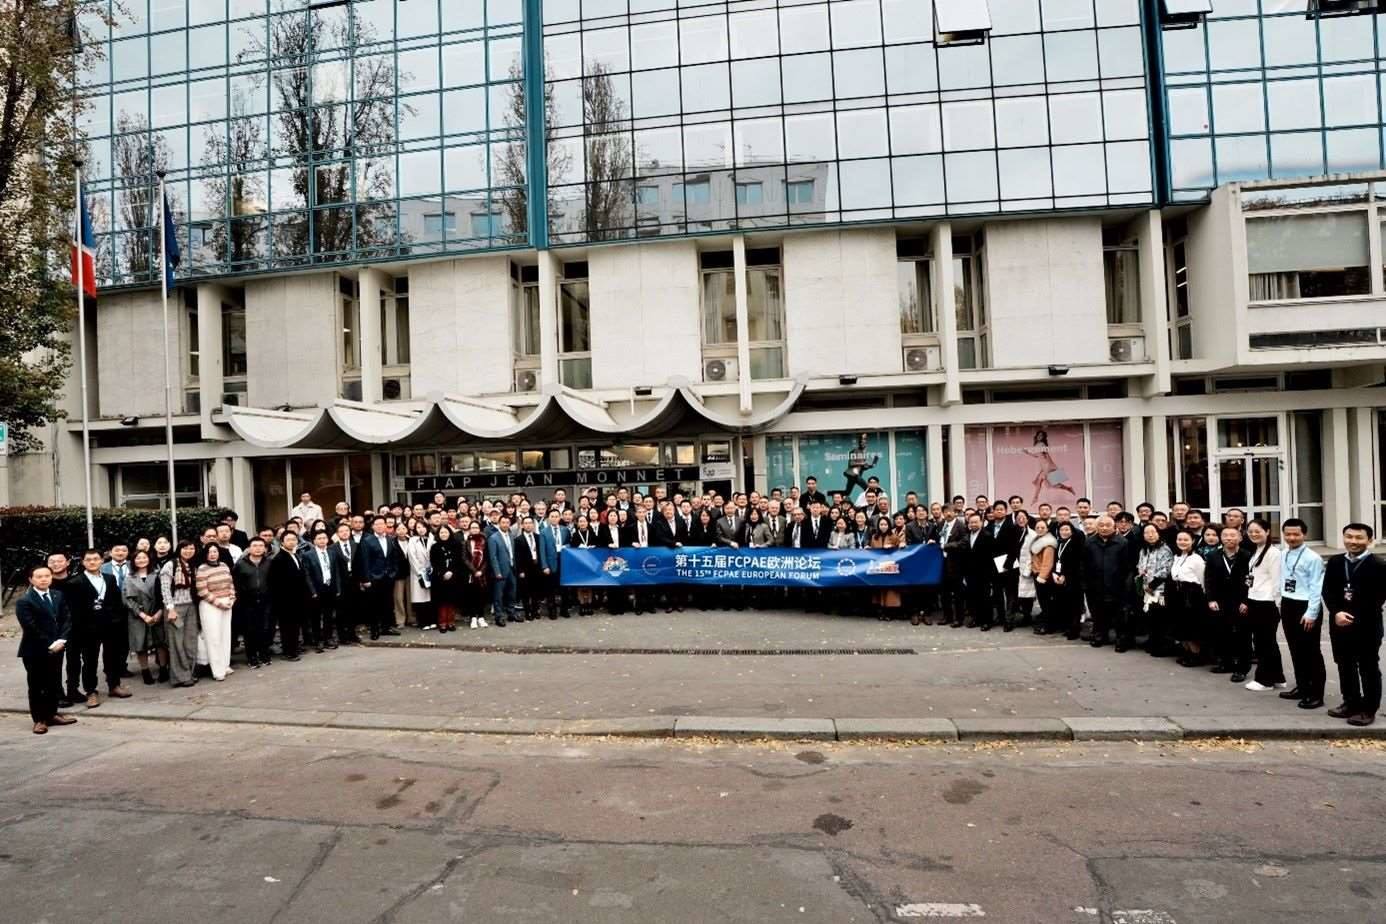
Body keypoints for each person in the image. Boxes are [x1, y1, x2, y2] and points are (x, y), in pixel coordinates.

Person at [1323, 523, 1385, 726]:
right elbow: (1327, 591)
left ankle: (1368, 709)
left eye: (1359, 538)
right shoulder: (1335, 562)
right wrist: (1336, 612)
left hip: (1367, 625)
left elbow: (1378, 598)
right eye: (1349, 537)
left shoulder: (1379, 565)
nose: (1353, 541)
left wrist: (1353, 615)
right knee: (1344, 664)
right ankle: (1350, 702)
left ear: (1370, 540)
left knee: (1368, 667)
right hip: (1339, 623)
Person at [16, 564, 77, 734]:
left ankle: (52, 714)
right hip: (35, 650)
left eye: (47, 576)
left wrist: (62, 639)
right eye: (39, 577)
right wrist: (51, 643)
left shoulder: (58, 595)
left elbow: (66, 618)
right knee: (37, 685)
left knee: (53, 682)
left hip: (58, 647)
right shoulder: (25, 601)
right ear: (31, 579)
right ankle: (39, 719)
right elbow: (30, 627)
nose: (43, 579)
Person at [68, 548, 131, 706]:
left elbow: (117, 602)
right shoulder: (75, 582)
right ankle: (91, 691)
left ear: (102, 560)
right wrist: (82, 627)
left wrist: (116, 620)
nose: (92, 562)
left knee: (112, 657)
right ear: (83, 562)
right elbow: (74, 610)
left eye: (96, 559)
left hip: (110, 626)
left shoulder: (109, 578)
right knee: (90, 661)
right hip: (87, 629)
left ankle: (114, 685)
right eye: (88, 560)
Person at [1277, 518, 1326, 710]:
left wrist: (1312, 613)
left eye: (1296, 534)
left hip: (1306, 606)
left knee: (1311, 651)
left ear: (1304, 534)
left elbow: (1316, 587)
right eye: (1288, 534)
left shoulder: (1313, 558)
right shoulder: (1284, 553)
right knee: (1295, 649)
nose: (1291, 538)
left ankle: (1316, 693)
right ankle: (1302, 686)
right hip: (1288, 604)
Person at [1242, 518, 1285, 692]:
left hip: (1267, 603)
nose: (1253, 534)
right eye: (1250, 531)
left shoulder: (1273, 553)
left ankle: (1265, 680)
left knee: (1264, 642)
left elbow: (1277, 581)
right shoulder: (1257, 550)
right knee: (1266, 641)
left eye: (1258, 531)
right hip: (1255, 599)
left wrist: (1277, 604)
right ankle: (1277, 677)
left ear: (1267, 532)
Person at [1204, 526, 1252, 681]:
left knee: (1242, 635)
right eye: (1225, 535)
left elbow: (1251, 580)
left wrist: (1246, 601)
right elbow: (1208, 579)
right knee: (1222, 632)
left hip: (1240, 600)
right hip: (1220, 600)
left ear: (1240, 538)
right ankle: (1226, 663)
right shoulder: (1213, 556)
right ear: (1221, 538)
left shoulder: (1247, 556)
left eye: (1233, 535)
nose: (1229, 538)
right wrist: (1211, 599)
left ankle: (1242, 668)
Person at [1082, 516, 1128, 649]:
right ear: (1097, 527)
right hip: (1095, 585)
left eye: (1108, 525)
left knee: (1119, 614)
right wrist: (1085, 583)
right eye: (1101, 525)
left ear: (1114, 527)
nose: (1104, 528)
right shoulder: (1089, 542)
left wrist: (1125, 583)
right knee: (1098, 612)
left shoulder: (1122, 542)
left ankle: (1121, 639)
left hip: (1116, 585)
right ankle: (1100, 636)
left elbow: (1127, 565)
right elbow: (1084, 564)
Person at [122, 549, 166, 684]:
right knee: (140, 645)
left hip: (157, 613)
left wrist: (159, 612)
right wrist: (142, 615)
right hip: (138, 616)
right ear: (133, 561)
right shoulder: (129, 578)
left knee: (161, 642)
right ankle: (145, 672)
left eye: (144, 557)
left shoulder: (157, 575)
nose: (141, 560)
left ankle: (163, 669)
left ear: (149, 559)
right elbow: (127, 600)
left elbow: (165, 594)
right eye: (138, 558)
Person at [354, 517, 401, 640]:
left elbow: (394, 558)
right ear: (373, 526)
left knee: (387, 603)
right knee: (373, 605)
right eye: (377, 524)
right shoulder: (367, 541)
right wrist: (365, 579)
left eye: (382, 524)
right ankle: (374, 630)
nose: (380, 526)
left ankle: (386, 627)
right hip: (373, 578)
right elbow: (364, 561)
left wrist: (393, 573)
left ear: (386, 525)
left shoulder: (390, 539)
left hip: (388, 577)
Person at [195, 543, 236, 681]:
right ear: (206, 554)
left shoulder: (224, 566)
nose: (212, 554)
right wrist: (219, 603)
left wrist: (232, 598)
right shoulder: (202, 569)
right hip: (210, 605)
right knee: (213, 638)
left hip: (227, 603)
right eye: (210, 552)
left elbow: (231, 584)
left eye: (215, 551)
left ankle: (225, 665)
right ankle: (217, 670)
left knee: (225, 635)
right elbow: (202, 591)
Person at [1167, 530, 1207, 668]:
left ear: (1193, 541)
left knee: (1191, 626)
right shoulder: (1177, 557)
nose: (1182, 542)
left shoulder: (1197, 559)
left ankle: (1196, 655)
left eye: (1186, 540)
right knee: (1180, 625)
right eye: (1180, 539)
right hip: (1177, 593)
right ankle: (1187, 652)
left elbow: (1202, 580)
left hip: (1192, 594)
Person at [233, 537, 274, 667]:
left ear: (265, 548)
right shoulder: (240, 564)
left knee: (265, 629)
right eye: (255, 545)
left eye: (261, 546)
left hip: (266, 601)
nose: (258, 548)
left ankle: (264, 654)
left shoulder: (270, 562)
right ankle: (252, 657)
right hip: (247, 602)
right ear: (249, 548)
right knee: (249, 631)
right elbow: (235, 583)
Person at [1135, 523, 1174, 657]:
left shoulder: (1165, 549)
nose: (1150, 535)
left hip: (1159, 589)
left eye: (1153, 532)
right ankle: (1153, 642)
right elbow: (1140, 566)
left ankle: (1162, 646)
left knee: (1160, 619)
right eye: (1146, 532)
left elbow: (1165, 570)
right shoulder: (1144, 550)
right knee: (1151, 617)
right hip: (1147, 589)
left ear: (1158, 534)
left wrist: (1152, 585)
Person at [304, 529, 343, 651]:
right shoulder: (308, 555)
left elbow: (336, 571)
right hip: (316, 589)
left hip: (330, 587)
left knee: (329, 615)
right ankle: (318, 640)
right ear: (314, 541)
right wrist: (312, 591)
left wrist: (338, 588)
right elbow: (307, 575)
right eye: (319, 538)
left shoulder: (332, 553)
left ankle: (328, 638)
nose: (322, 540)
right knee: (315, 616)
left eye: (324, 538)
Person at [961, 512, 996, 630]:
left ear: (981, 522)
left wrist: (990, 575)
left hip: (984, 573)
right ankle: (976, 619)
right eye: (971, 522)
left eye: (976, 522)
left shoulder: (987, 536)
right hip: (970, 572)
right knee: (973, 597)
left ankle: (987, 622)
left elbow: (991, 557)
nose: (973, 524)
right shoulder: (967, 535)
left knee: (985, 598)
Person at [1051, 521, 1084, 640]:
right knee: (1065, 604)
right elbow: (1056, 560)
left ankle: (1075, 630)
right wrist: (1055, 573)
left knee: (1075, 605)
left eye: (1067, 530)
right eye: (1062, 530)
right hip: (1059, 578)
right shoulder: (1059, 543)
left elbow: (1077, 563)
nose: (1064, 532)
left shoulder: (1076, 543)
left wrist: (1065, 575)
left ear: (1072, 531)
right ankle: (1067, 627)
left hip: (1073, 579)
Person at [329, 522, 360, 644]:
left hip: (354, 581)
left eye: (346, 530)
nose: (344, 533)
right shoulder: (332, 548)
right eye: (341, 531)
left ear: (350, 532)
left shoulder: (355, 545)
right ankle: (342, 636)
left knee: (353, 608)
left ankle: (352, 634)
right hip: (340, 582)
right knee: (341, 610)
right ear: (337, 534)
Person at [429, 524, 463, 632]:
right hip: (440, 577)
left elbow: (459, 560)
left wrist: (451, 571)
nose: (444, 534)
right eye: (441, 532)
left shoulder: (456, 545)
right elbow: (434, 562)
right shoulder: (435, 547)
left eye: (446, 532)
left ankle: (451, 621)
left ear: (450, 533)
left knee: (452, 600)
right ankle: (442, 622)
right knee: (442, 601)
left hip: (454, 576)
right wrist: (443, 572)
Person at [1007, 510, 1037, 632]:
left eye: (1023, 517)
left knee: (1027, 596)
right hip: (1012, 567)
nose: (1021, 519)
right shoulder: (1009, 532)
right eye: (1018, 517)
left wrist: (1029, 568)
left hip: (1026, 567)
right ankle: (1009, 620)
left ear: (1027, 519)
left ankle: (1027, 616)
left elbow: (1034, 553)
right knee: (1011, 595)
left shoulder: (1033, 534)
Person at [869, 516, 903, 620]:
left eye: (885, 524)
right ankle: (881, 611)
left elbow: (899, 550)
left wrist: (893, 547)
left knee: (890, 591)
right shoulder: (874, 537)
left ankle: (889, 613)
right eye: (881, 524)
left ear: (889, 525)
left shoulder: (894, 536)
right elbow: (872, 551)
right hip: (878, 567)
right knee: (879, 590)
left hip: (890, 567)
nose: (883, 526)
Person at [486, 514, 518, 625]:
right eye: (503, 522)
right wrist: (497, 571)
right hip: (500, 571)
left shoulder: (511, 535)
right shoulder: (493, 538)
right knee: (498, 595)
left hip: (512, 569)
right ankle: (499, 616)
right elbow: (493, 557)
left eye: (507, 523)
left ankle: (511, 613)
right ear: (499, 524)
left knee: (512, 593)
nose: (505, 525)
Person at [1028, 518, 1058, 634]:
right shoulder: (1038, 539)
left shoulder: (1048, 543)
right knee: (1043, 603)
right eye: (1038, 527)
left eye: (1042, 527)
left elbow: (1048, 563)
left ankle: (1048, 627)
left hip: (1043, 577)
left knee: (1046, 603)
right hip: (1037, 574)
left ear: (1047, 529)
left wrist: (1042, 577)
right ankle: (1047, 624)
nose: (1040, 529)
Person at [406, 521, 435, 630]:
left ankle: (432, 620)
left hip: (431, 572)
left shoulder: (432, 539)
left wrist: (431, 569)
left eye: (423, 527)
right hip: (418, 573)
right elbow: (412, 557)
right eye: (418, 527)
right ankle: (423, 622)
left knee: (430, 598)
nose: (421, 529)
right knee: (420, 599)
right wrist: (421, 572)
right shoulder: (413, 540)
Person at [463, 521, 490, 628]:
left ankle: (481, 617)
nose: (474, 529)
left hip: (482, 574)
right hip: (471, 574)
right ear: (470, 529)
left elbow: (487, 558)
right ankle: (473, 617)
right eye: (472, 528)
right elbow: (465, 558)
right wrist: (474, 571)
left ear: (479, 529)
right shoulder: (466, 542)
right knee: (472, 596)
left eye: (476, 527)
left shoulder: (484, 541)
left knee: (481, 595)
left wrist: (481, 571)